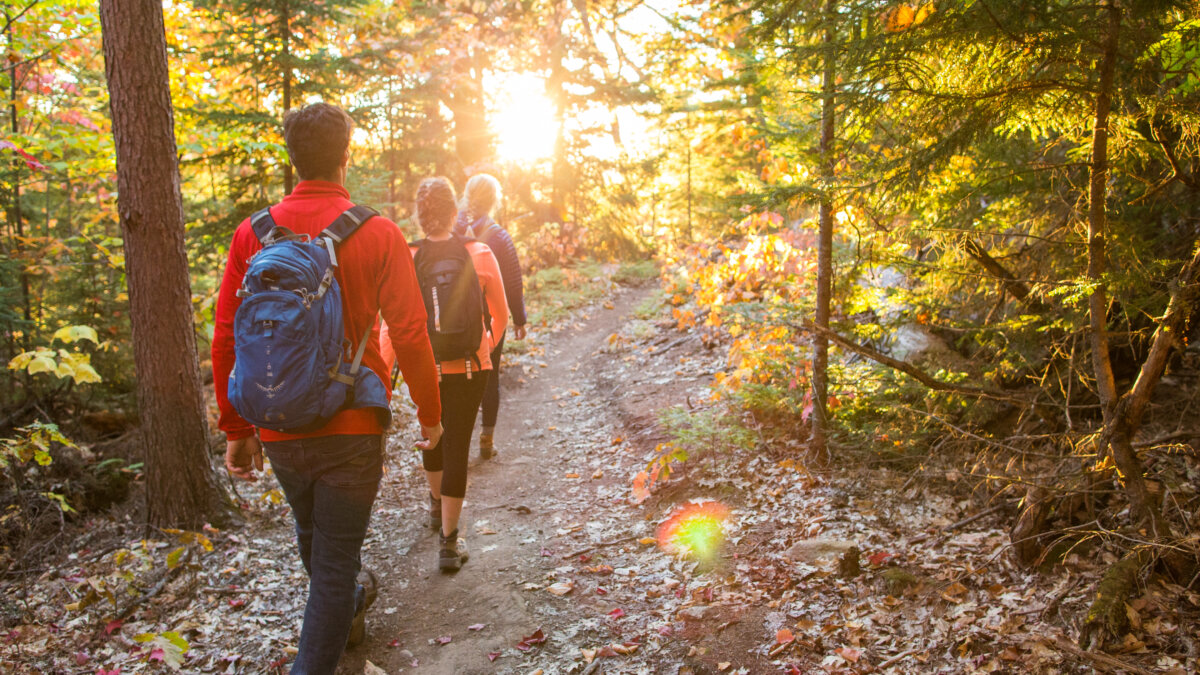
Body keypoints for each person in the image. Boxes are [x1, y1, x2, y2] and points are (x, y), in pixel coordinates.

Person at [212, 102, 444, 674]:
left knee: (315, 538)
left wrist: (237, 427)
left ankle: (348, 609)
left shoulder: (254, 233)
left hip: (279, 421)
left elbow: (225, 336)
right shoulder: (379, 232)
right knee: (335, 562)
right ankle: (334, 623)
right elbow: (411, 332)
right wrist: (432, 414)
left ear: (291, 157)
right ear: (346, 155)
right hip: (352, 423)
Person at [411, 176, 508, 571]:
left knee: (432, 438)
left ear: (420, 217)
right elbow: (499, 315)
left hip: (425, 369)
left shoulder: (407, 256)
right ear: (456, 212)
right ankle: (449, 543)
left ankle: (436, 508)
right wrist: (484, 346)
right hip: (470, 368)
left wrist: (388, 373)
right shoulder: (479, 252)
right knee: (457, 448)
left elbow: (392, 324)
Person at [454, 173, 527, 459]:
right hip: (490, 319)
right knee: (489, 375)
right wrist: (519, 319)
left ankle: (454, 440)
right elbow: (513, 281)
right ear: (494, 199)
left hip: (452, 318)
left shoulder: (450, 231)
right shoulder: (498, 236)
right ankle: (486, 440)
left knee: (455, 377)